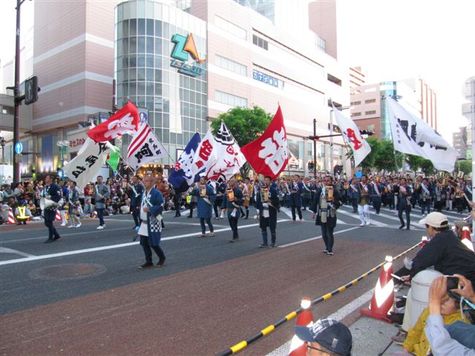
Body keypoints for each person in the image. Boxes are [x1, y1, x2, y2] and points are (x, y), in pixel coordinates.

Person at [402, 291, 465, 355]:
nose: (442, 302)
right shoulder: (429, 311)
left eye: (447, 300)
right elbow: (416, 331)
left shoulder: (461, 324)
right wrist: (406, 349)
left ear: (459, 305)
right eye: (441, 297)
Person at [425, 276, 475, 355]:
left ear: (458, 304)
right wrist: (473, 298)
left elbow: (444, 350)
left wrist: (434, 304)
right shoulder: (427, 312)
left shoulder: (460, 320)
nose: (442, 303)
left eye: (447, 300)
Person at [137, 175, 166, 269]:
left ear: (152, 182)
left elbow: (161, 205)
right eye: (144, 181)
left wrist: (150, 209)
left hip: (153, 220)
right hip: (144, 222)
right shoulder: (144, 193)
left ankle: (162, 257)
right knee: (144, 242)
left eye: (147, 181)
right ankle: (148, 261)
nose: (144, 183)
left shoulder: (156, 193)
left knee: (154, 242)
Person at [313, 175, 341, 256]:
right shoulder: (320, 190)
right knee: (323, 233)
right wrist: (314, 212)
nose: (326, 182)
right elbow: (315, 201)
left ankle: (330, 248)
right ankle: (326, 246)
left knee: (329, 232)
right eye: (324, 180)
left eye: (328, 180)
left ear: (331, 181)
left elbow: (340, 201)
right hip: (322, 213)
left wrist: (334, 200)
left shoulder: (335, 190)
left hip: (330, 213)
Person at [255, 176, 279, 248]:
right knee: (263, 227)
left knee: (272, 227)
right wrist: (258, 210)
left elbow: (277, 201)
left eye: (267, 180)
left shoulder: (273, 190)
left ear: (270, 181)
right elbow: (258, 201)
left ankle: (273, 242)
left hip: (271, 210)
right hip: (263, 210)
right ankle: (265, 242)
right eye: (265, 180)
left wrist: (270, 201)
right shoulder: (261, 190)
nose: (266, 182)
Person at [41, 175, 62, 243]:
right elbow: (44, 195)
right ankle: (56, 235)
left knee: (49, 221)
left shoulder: (55, 186)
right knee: (46, 222)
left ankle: (51, 237)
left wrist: (51, 198)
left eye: (47, 178)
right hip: (46, 204)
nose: (45, 179)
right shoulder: (46, 186)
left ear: (50, 179)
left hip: (52, 204)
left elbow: (58, 196)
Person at [223, 178, 243, 243]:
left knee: (234, 222)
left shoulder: (238, 191)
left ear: (235, 183)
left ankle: (235, 237)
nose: (230, 182)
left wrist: (237, 199)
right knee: (230, 222)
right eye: (230, 181)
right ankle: (235, 234)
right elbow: (225, 199)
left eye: (232, 181)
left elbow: (242, 200)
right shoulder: (228, 190)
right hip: (229, 208)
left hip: (235, 208)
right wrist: (223, 207)